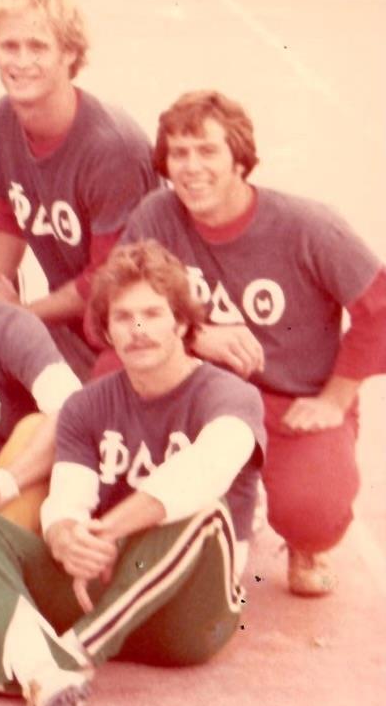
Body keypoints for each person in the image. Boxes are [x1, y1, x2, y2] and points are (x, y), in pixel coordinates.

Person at [0, 242, 265, 706]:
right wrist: (66, 537)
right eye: (123, 317)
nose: (138, 331)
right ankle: (40, 670)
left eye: (152, 314)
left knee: (201, 506)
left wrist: (107, 532)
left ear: (182, 323)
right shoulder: (86, 406)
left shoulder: (229, 395)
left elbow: (205, 472)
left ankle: (68, 653)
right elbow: (67, 500)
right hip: (100, 588)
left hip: (188, 616)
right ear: (106, 329)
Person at [120, 91, 386, 596]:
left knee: (315, 510)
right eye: (178, 153)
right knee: (113, 370)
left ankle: (303, 544)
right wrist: (195, 334)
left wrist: (336, 398)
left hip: (289, 402)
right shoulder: (157, 216)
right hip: (196, 391)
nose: (191, 168)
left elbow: (381, 307)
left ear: (240, 158)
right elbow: (114, 310)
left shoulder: (308, 226)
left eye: (207, 151)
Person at [0, 0, 156, 377]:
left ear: (69, 53)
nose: (21, 61)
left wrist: (23, 314)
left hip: (133, 325)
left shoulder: (111, 147)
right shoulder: (5, 117)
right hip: (73, 322)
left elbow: (109, 278)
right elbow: (7, 214)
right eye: (10, 46)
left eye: (38, 47)